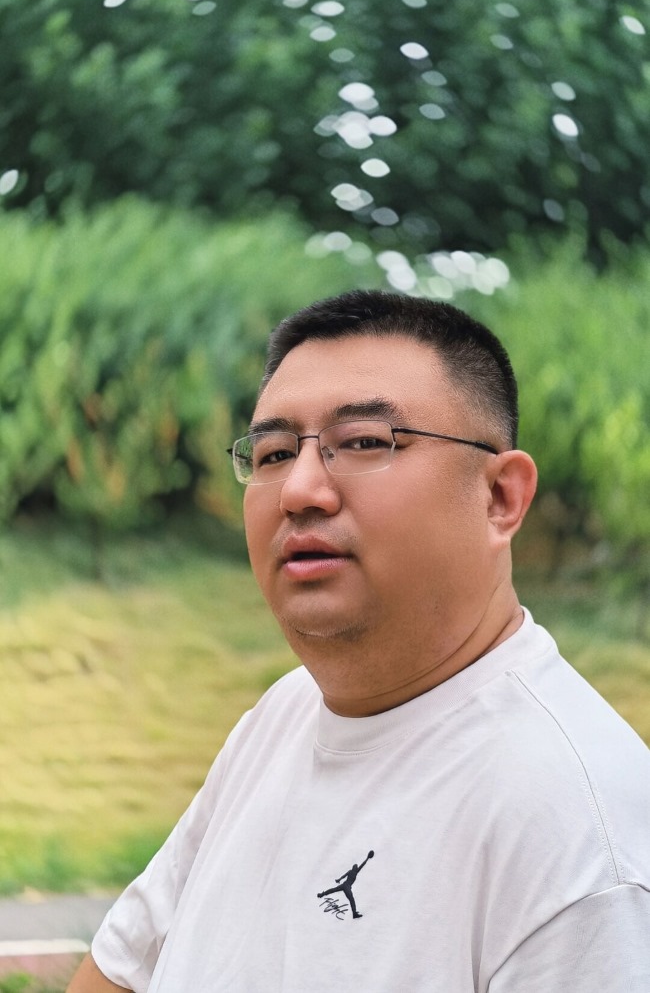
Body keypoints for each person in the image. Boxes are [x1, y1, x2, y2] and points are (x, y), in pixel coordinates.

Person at [67, 289, 650, 993]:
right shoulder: (285, 715)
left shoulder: (579, 840)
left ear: (500, 497)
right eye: (274, 452)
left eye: (366, 442)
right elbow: (124, 967)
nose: (299, 489)